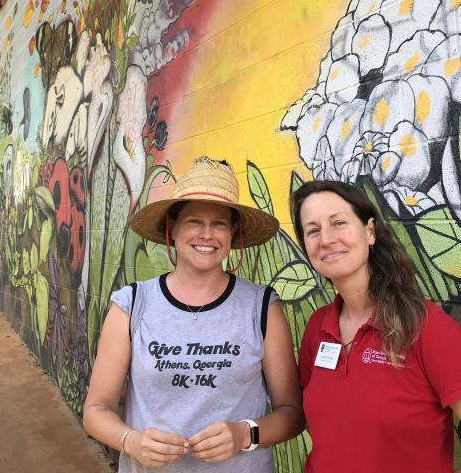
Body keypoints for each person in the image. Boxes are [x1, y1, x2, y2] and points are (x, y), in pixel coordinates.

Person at [292, 179, 461, 473]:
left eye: (339, 222)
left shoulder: (424, 327)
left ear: (370, 232)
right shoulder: (318, 328)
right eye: (313, 231)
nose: (326, 239)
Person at [83, 156, 304, 472]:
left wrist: (245, 434)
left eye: (219, 224)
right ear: (172, 229)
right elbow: (95, 410)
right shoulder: (131, 305)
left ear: (233, 235)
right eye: (194, 222)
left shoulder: (262, 307)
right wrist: (130, 440)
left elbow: (292, 413)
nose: (206, 235)